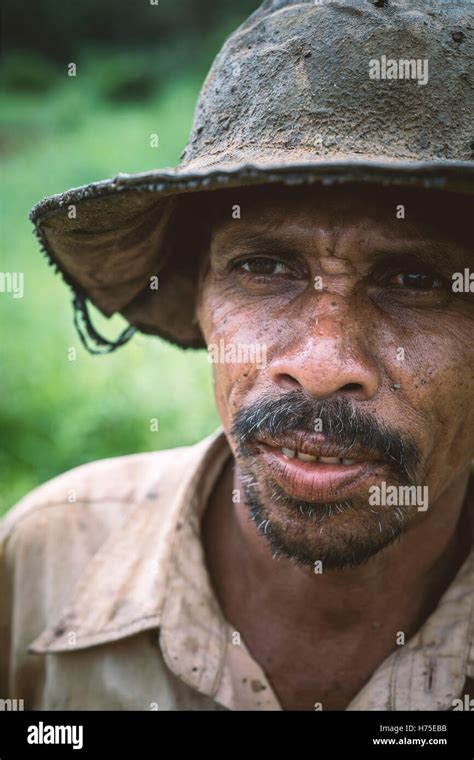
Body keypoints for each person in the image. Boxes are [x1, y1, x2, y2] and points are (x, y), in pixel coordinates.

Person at [1, 0, 473, 711]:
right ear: (196, 294)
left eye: (415, 281)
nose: (320, 363)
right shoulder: (42, 557)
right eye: (265, 268)